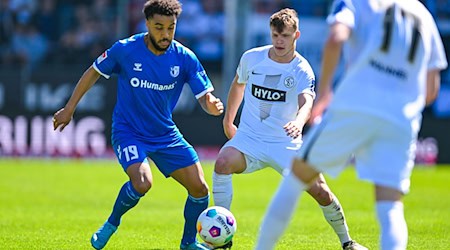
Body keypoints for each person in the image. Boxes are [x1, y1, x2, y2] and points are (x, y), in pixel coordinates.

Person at [255, 0, 448, 249]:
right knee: (390, 207)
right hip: (401, 117)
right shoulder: (423, 14)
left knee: (295, 179)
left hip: (356, 104)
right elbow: (431, 89)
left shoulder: (359, 1)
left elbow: (336, 37)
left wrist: (324, 93)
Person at [52, 1, 224, 249]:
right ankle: (111, 223)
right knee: (142, 182)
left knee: (200, 189)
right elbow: (93, 71)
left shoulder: (185, 58)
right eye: (159, 27)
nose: (165, 34)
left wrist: (212, 106)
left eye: (170, 28)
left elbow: (205, 98)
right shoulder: (126, 50)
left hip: (165, 134)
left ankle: (188, 244)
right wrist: (69, 108)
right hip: (128, 132)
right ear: (146, 25)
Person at [213, 8, 366, 250]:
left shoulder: (302, 69)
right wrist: (228, 120)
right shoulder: (252, 58)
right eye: (275, 35)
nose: (279, 41)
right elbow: (238, 84)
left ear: (296, 35)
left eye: (285, 35)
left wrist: (298, 122)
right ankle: (222, 239)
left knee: (321, 192)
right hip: (249, 139)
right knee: (222, 163)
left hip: (284, 143)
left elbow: (307, 102)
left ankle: (347, 242)